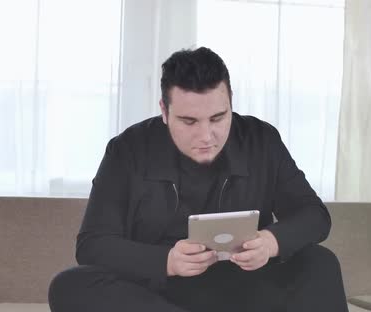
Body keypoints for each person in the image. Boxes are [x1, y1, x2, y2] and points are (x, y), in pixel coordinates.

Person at [48, 47, 348, 312]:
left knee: (319, 263)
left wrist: (271, 242)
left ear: (231, 102)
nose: (206, 136)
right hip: (159, 291)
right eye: (189, 121)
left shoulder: (261, 140)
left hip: (244, 285)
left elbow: (315, 216)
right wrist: (167, 261)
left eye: (218, 118)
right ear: (164, 111)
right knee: (69, 286)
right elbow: (93, 245)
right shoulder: (127, 149)